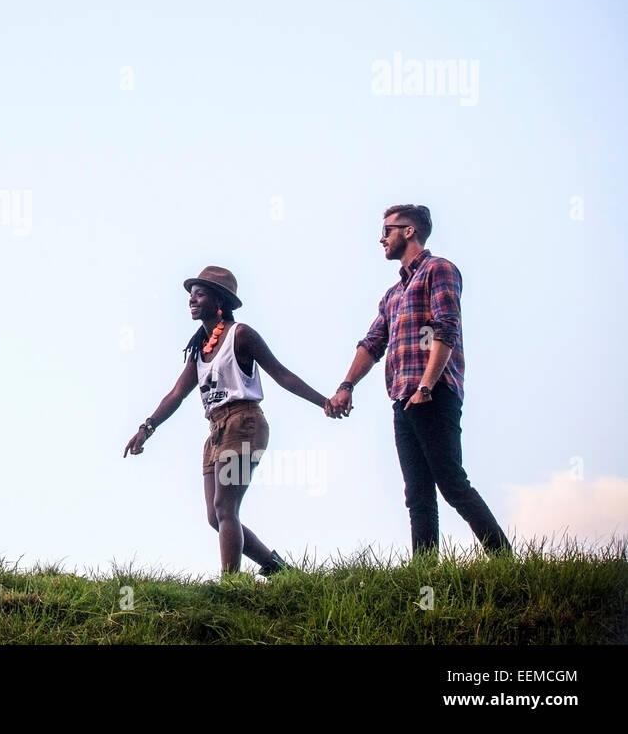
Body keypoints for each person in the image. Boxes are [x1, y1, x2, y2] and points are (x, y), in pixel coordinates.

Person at [124, 266, 343, 575]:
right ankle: (277, 568)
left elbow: (281, 375)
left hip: (245, 425)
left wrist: (325, 402)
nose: (192, 300)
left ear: (219, 301)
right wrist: (146, 428)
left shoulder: (240, 335)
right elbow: (176, 394)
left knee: (226, 508)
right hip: (216, 430)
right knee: (216, 517)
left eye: (200, 294)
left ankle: (231, 584)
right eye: (190, 295)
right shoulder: (199, 349)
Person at [328, 204, 511, 557]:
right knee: (417, 493)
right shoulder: (393, 295)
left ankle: (505, 558)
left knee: (452, 482)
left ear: (409, 230)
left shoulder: (438, 270)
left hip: (434, 393)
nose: (381, 238)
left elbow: (447, 327)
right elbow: (372, 344)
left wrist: (426, 386)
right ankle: (424, 573)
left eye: (387, 230)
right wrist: (346, 386)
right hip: (403, 400)